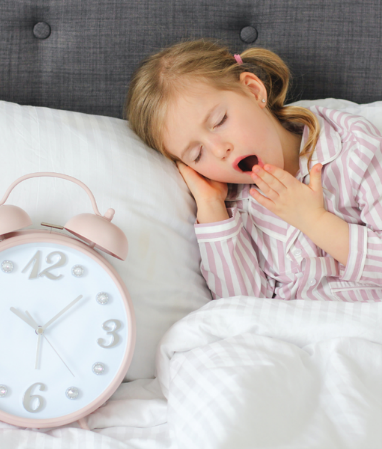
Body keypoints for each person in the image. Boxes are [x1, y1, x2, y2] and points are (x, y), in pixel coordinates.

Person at [124, 39, 382, 302]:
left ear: (253, 90)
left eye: (219, 121)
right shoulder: (234, 208)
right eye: (197, 154)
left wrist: (314, 221)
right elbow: (240, 306)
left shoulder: (355, 148)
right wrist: (211, 206)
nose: (218, 150)